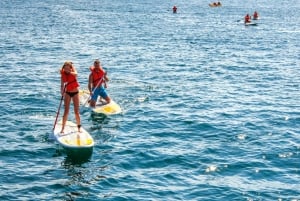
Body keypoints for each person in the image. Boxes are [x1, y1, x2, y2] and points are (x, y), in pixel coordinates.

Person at [60, 61, 81, 133]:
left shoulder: (73, 73)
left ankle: (79, 128)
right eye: (65, 68)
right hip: (67, 93)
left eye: (68, 68)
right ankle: (62, 129)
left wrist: (70, 71)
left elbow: (76, 74)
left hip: (75, 92)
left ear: (70, 68)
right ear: (63, 68)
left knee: (76, 112)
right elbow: (62, 84)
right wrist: (62, 91)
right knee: (66, 111)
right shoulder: (63, 75)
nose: (66, 70)